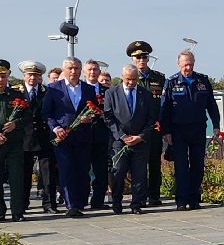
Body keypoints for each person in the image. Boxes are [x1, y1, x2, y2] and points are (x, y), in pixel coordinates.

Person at [159, 49, 224, 211]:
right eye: (185, 64)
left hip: (198, 129)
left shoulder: (202, 81)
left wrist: (216, 125)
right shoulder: (172, 82)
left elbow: (212, 105)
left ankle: (194, 198)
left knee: (197, 165)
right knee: (181, 166)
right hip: (178, 130)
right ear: (178, 64)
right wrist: (165, 132)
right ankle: (181, 200)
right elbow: (164, 109)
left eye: (190, 64)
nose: (188, 68)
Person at [41, 57, 100, 217]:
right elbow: (46, 113)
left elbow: (94, 110)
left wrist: (90, 118)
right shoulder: (54, 88)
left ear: (81, 70)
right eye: (70, 68)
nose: (73, 71)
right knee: (66, 170)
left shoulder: (88, 89)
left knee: (82, 170)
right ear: (64, 70)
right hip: (63, 137)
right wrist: (56, 128)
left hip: (83, 136)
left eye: (76, 68)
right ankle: (71, 205)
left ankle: (80, 202)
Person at [103, 63, 155, 214]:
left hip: (140, 142)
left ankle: (136, 204)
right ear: (122, 77)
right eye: (128, 79)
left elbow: (151, 119)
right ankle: (117, 202)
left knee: (139, 174)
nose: (131, 82)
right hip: (119, 142)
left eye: (134, 79)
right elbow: (108, 117)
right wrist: (122, 136)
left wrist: (140, 136)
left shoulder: (145, 94)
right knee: (118, 172)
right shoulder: (111, 93)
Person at [128, 42, 167, 206]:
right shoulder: (129, 78)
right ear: (133, 59)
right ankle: (140, 196)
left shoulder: (159, 78)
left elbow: (165, 104)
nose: (142, 60)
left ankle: (154, 195)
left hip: (154, 129)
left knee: (154, 163)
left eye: (144, 57)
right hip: (137, 130)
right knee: (138, 165)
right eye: (138, 57)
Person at [15, 60, 54, 217]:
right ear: (24, 75)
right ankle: (23, 204)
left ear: (40, 77)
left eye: (36, 75)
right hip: (24, 138)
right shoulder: (17, 92)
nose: (32, 78)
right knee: (24, 174)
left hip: (44, 137)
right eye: (30, 75)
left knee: (48, 174)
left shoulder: (48, 92)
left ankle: (49, 203)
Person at [82, 59, 110, 210]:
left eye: (95, 70)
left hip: (101, 134)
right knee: (83, 169)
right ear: (85, 72)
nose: (92, 72)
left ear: (99, 72)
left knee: (100, 170)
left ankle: (98, 200)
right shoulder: (79, 88)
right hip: (83, 133)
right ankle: (82, 199)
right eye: (90, 70)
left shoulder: (107, 90)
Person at [0, 60, 25, 221]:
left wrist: (16, 123)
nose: (1, 80)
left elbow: (28, 117)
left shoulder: (17, 95)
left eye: (3, 76)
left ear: (8, 76)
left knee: (16, 178)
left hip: (14, 143)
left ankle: (17, 211)